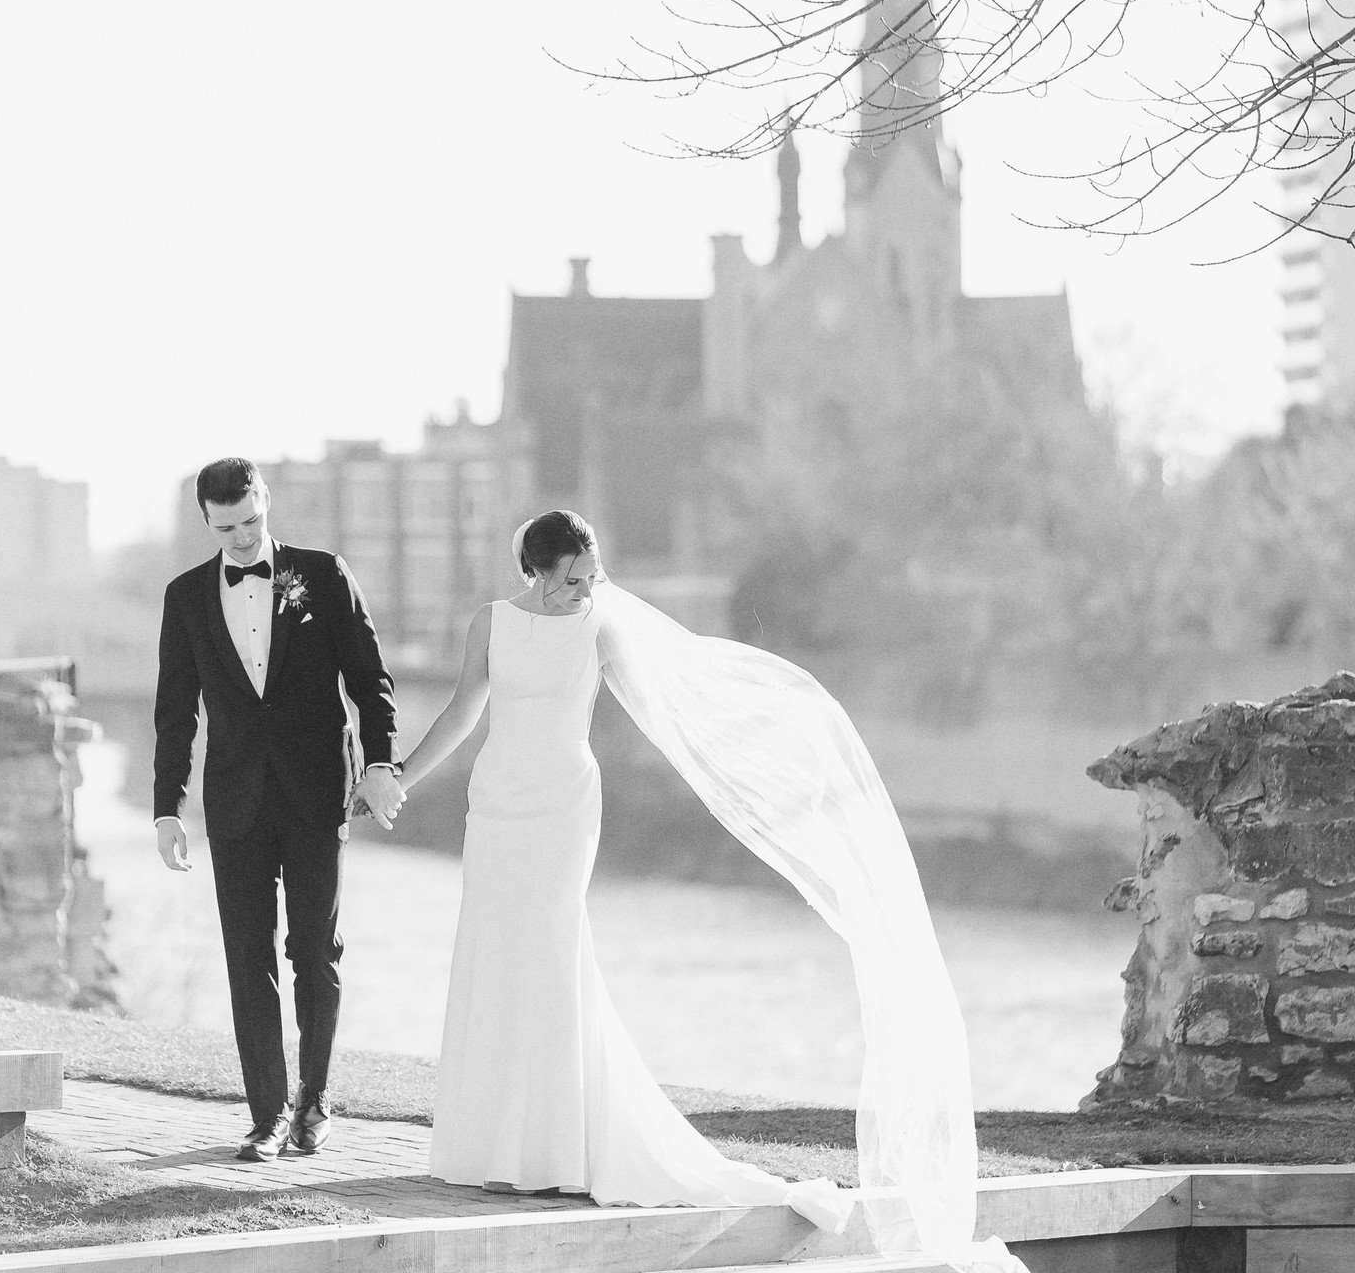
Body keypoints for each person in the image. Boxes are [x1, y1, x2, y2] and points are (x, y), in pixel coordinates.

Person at [381, 510, 1026, 1272]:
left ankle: (557, 1148)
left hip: (563, 807)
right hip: (496, 806)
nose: (584, 591)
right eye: (570, 580)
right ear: (536, 571)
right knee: (496, 952)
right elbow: (464, 711)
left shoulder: (601, 627)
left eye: (592, 578)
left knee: (553, 957)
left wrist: (758, 753)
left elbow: (677, 694)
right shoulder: (489, 625)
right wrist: (399, 775)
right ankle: (496, 1143)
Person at [153, 456, 404, 1162]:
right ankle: (265, 1116)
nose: (240, 538)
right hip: (233, 804)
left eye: (251, 522)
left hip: (317, 792)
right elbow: (175, 714)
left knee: (313, 954)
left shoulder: (323, 575)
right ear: (207, 520)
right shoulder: (185, 597)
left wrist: (381, 763)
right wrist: (167, 807)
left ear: (267, 502)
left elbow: (370, 680)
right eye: (225, 527)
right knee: (246, 958)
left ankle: (313, 1106)